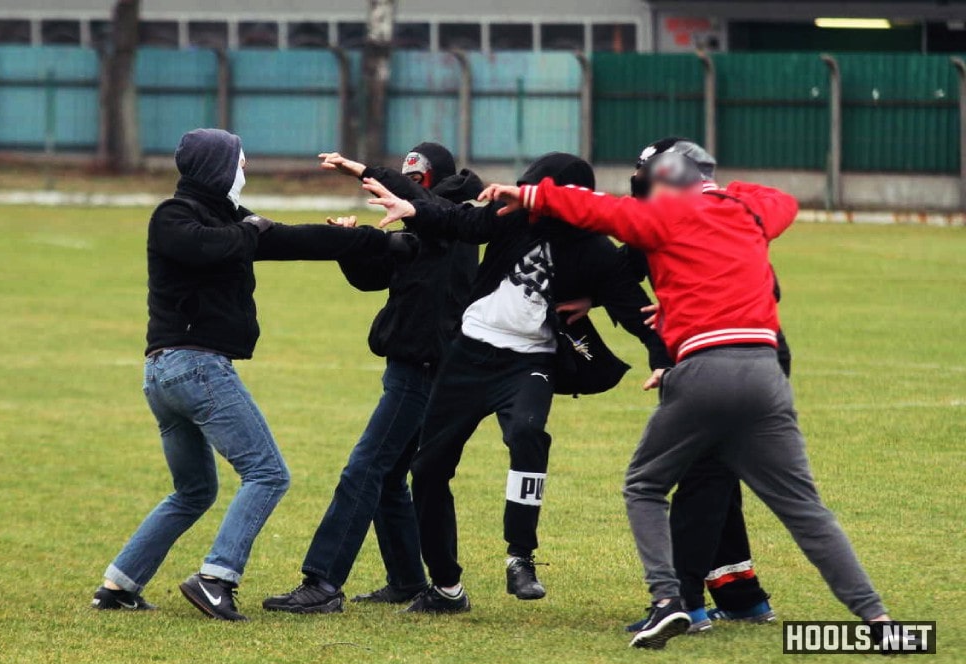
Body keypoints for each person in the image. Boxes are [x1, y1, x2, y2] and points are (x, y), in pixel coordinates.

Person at [472, 140, 899, 650]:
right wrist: (725, 192)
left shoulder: (662, 217)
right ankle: (879, 622)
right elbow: (782, 201)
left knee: (644, 486)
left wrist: (534, 197)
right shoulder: (745, 211)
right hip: (766, 371)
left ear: (665, 181)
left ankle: (669, 602)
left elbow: (600, 209)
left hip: (702, 372)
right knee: (804, 508)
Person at [92, 128, 414, 621]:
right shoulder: (174, 215)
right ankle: (216, 578)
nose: (245, 172)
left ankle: (119, 584)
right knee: (267, 473)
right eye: (240, 164)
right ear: (217, 169)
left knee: (194, 491)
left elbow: (292, 238)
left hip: (169, 378)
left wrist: (373, 242)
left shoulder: (230, 218)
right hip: (192, 368)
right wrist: (251, 230)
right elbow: (205, 248)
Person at [362, 153, 671, 613]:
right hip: (467, 354)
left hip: (529, 361)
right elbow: (458, 220)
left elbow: (636, 311)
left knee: (527, 433)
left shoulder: (595, 250)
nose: (524, 197)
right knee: (427, 469)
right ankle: (446, 587)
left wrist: (665, 359)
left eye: (536, 189)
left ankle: (520, 556)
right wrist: (414, 210)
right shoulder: (511, 217)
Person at [262, 143, 482, 614]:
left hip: (421, 371)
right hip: (414, 367)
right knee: (385, 476)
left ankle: (322, 582)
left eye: (415, 181)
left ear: (432, 183)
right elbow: (378, 276)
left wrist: (360, 170)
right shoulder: (427, 227)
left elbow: (423, 214)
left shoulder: (452, 221)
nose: (405, 190)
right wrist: (351, 246)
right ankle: (406, 579)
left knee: (363, 467)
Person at [624, 138, 784, 634]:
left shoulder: (715, 215)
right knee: (716, 473)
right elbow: (620, 266)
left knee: (697, 475)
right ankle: (741, 597)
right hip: (727, 359)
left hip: (741, 356)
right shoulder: (661, 223)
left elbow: (767, 286)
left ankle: (684, 603)